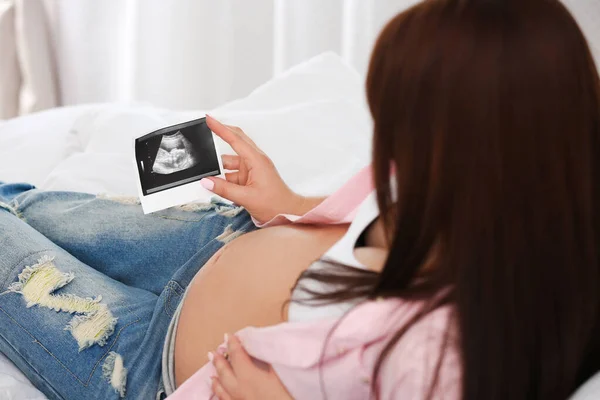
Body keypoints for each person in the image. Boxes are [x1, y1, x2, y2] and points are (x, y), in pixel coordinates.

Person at [0, 0, 598, 399]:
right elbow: (360, 231)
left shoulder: (442, 356)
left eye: (401, 125)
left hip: (148, 357)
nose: (390, 144)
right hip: (224, 237)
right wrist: (285, 202)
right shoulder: (465, 195)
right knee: (36, 204)